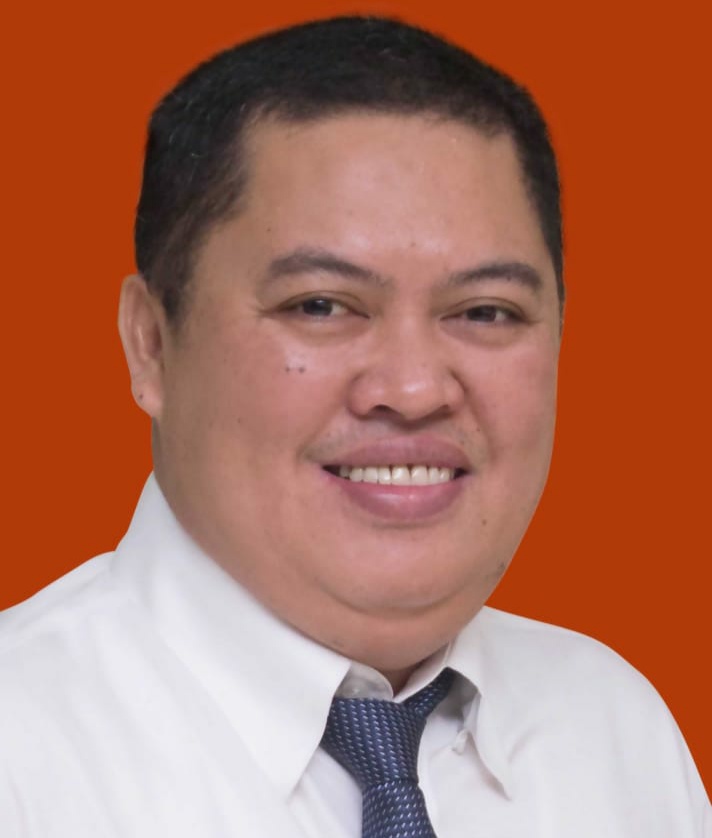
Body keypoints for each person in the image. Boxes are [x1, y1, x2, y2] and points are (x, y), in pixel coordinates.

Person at [0, 15, 708, 838]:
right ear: (151, 342)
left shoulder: (614, 733)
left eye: (485, 311)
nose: (412, 389)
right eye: (321, 305)